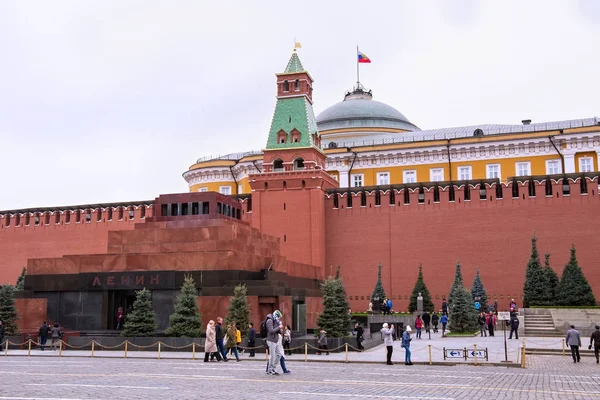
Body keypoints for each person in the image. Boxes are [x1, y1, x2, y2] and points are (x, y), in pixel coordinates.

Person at [265, 309, 283, 375]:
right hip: (271, 340)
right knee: (272, 356)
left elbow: (277, 330)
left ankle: (273, 368)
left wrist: (280, 329)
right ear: (276, 315)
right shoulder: (270, 320)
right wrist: (279, 327)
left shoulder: (275, 321)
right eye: (278, 317)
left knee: (279, 355)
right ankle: (269, 370)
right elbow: (271, 331)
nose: (278, 319)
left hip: (275, 340)